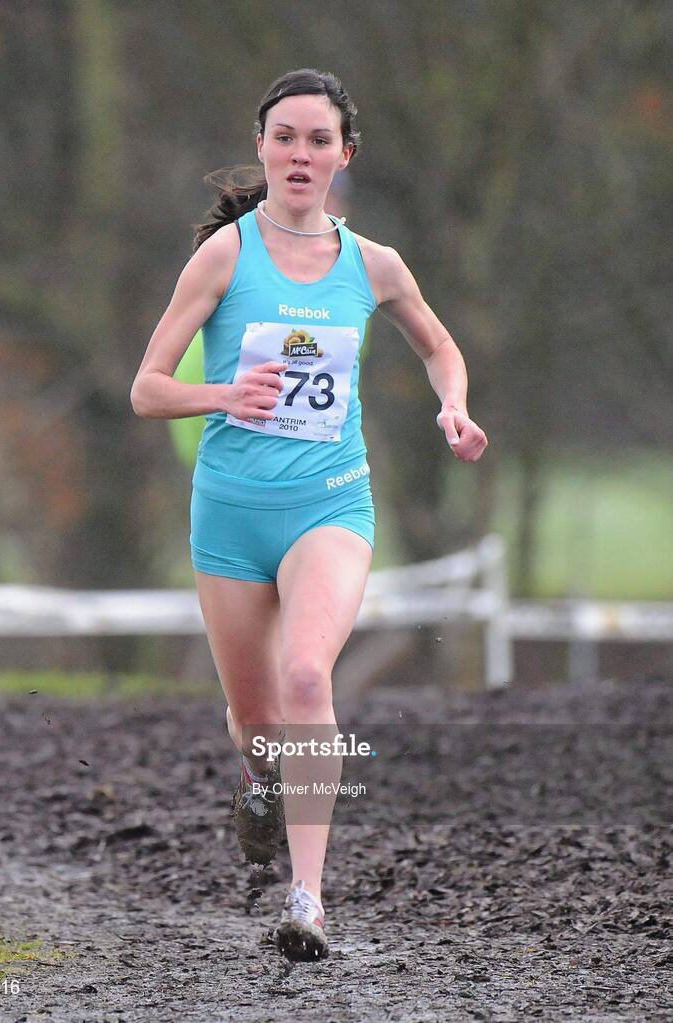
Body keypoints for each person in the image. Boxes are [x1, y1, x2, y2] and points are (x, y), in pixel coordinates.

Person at [130, 68, 488, 962]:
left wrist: (452, 404)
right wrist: (223, 393)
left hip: (331, 502)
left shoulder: (375, 264)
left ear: (343, 155)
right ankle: (256, 774)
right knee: (255, 719)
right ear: (261, 146)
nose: (300, 153)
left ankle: (308, 899)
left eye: (317, 139)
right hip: (230, 515)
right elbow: (145, 389)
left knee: (304, 680)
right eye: (284, 136)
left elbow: (440, 344)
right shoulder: (223, 256)